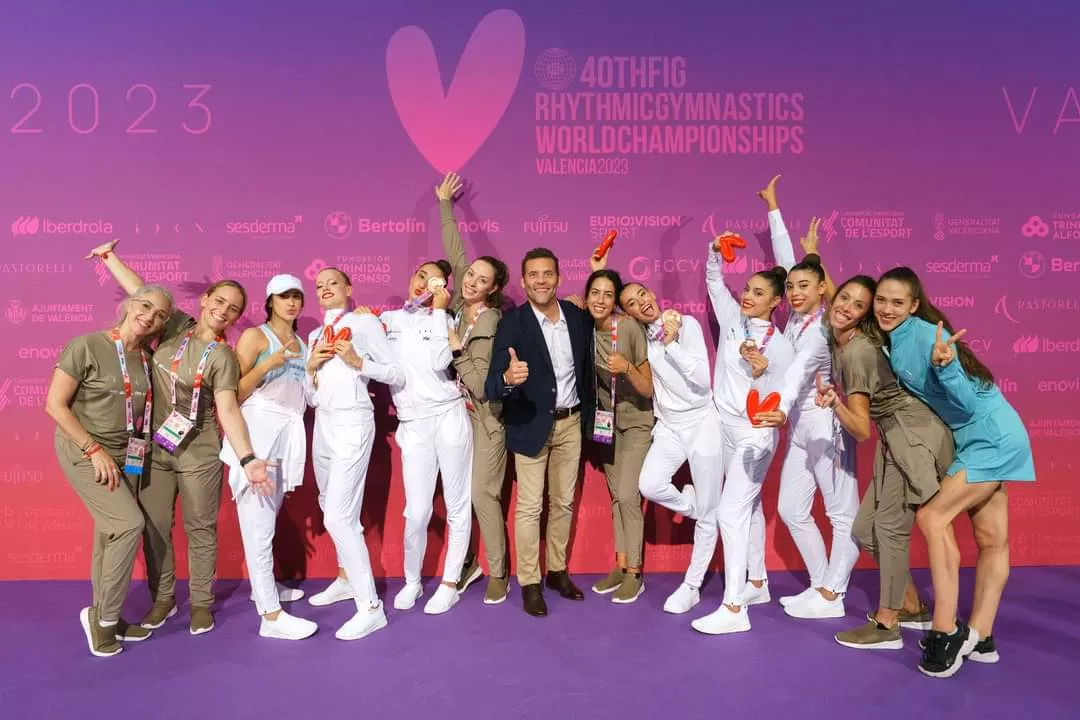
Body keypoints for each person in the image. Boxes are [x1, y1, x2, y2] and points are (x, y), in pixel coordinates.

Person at [88, 239, 274, 636]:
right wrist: (109, 258)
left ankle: (202, 602)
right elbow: (141, 292)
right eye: (219, 301)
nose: (223, 311)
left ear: (236, 317)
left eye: (233, 309)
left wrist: (247, 458)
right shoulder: (175, 326)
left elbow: (228, 408)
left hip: (199, 452)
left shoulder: (223, 357)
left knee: (200, 528)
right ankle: (164, 598)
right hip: (154, 449)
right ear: (205, 300)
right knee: (154, 526)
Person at [875, 267, 1034, 678]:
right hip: (978, 436)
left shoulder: (926, 337)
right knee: (991, 539)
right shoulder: (894, 337)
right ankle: (981, 636)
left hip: (990, 437)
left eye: (897, 302)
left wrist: (946, 366)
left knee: (932, 517)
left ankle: (946, 631)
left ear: (914, 305)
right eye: (881, 300)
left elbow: (964, 404)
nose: (886, 309)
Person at [813, 275, 949, 651]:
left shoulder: (857, 352)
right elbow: (837, 298)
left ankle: (888, 625)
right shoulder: (842, 334)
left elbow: (860, 430)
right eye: (844, 298)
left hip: (913, 436)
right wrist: (813, 255)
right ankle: (912, 606)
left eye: (858, 305)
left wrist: (834, 403)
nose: (847, 307)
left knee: (889, 528)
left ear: (864, 315)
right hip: (895, 435)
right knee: (865, 529)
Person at [45, 284, 174, 657]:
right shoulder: (86, 345)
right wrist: (92, 449)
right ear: (129, 304)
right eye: (145, 306)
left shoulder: (146, 359)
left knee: (109, 532)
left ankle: (107, 614)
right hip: (84, 449)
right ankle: (101, 621)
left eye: (160, 314)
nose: (149, 317)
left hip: (127, 453)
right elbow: (55, 405)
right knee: (128, 524)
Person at [751, 175, 859, 620]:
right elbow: (787, 264)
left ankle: (834, 595)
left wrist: (780, 406)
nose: (794, 292)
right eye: (791, 287)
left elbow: (798, 373)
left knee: (841, 513)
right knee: (792, 509)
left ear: (821, 290)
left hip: (826, 422)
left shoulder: (826, 324)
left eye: (804, 287)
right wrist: (773, 207)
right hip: (797, 425)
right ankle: (819, 584)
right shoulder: (795, 318)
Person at [691, 231, 795, 635]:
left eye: (758, 292)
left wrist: (762, 374)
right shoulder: (734, 319)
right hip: (725, 427)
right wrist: (713, 252)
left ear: (776, 302)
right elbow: (714, 281)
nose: (748, 296)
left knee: (730, 511)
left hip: (755, 435)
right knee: (747, 508)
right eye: (748, 289)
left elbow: (779, 403)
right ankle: (757, 582)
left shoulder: (780, 347)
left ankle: (734, 607)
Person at [485, 248, 595, 617]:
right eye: (533, 274)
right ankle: (530, 582)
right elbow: (491, 385)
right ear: (523, 281)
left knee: (563, 503)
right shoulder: (512, 323)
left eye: (547, 273)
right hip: (529, 423)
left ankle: (558, 572)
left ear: (559, 278)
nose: (541, 281)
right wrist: (507, 377)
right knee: (530, 508)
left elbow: (603, 327)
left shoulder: (577, 318)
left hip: (571, 423)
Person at [302, 266, 401, 639]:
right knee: (327, 502)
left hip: (353, 422)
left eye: (333, 283)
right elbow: (311, 396)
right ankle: (345, 579)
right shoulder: (315, 335)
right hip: (323, 424)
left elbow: (397, 373)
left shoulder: (364, 324)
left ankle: (371, 608)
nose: (326, 288)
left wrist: (360, 362)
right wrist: (310, 369)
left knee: (339, 517)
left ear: (349, 287)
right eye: (320, 285)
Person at [219, 274, 318, 640]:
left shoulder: (303, 343)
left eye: (296, 296)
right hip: (258, 435)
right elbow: (233, 392)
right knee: (258, 527)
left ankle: (264, 588)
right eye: (283, 296)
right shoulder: (255, 337)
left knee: (267, 521)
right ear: (270, 301)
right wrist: (266, 364)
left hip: (286, 434)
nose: (291, 303)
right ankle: (270, 616)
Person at [618, 282, 724, 615]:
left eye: (642, 295)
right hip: (669, 428)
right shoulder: (642, 339)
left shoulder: (685, 325)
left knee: (710, 510)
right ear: (630, 314)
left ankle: (692, 585)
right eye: (631, 303)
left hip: (703, 423)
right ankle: (695, 507)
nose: (640, 302)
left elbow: (702, 380)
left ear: (652, 295)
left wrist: (672, 343)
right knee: (649, 485)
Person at [433, 172, 513, 605]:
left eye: (482, 280)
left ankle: (497, 571)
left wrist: (455, 348)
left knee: (483, 493)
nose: (471, 281)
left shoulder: (489, 320)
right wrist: (446, 204)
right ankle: (465, 563)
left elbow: (482, 385)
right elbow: (456, 250)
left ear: (493, 289)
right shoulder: (461, 302)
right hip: (453, 414)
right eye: (470, 276)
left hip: (486, 419)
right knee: (456, 494)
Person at [381, 259, 473, 615]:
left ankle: (450, 583)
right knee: (417, 511)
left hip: (448, 415)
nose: (424, 284)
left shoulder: (445, 321)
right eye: (421, 275)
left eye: (435, 282)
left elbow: (438, 360)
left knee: (457, 504)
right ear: (411, 277)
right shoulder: (388, 320)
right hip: (412, 423)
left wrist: (439, 311)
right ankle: (412, 581)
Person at [582, 254, 654, 604]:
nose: (600, 300)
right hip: (606, 422)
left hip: (637, 421)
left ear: (616, 302)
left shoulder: (627, 328)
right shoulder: (583, 326)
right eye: (594, 293)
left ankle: (636, 573)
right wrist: (597, 273)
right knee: (616, 497)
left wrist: (626, 367)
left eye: (608, 295)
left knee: (627, 495)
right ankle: (621, 565)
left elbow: (648, 389)